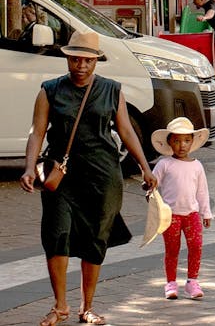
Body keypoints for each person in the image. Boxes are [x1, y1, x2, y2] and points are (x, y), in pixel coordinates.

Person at [20, 31, 158, 326]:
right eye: (75, 59)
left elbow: (126, 131)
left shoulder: (111, 90)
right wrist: (29, 167)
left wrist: (145, 168)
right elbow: (37, 132)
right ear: (67, 58)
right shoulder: (50, 91)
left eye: (87, 60)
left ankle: (87, 308)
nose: (80, 65)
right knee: (57, 235)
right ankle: (60, 306)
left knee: (96, 240)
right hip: (61, 176)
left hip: (102, 176)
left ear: (96, 61)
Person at [150, 117, 213, 301]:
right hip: (170, 216)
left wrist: (206, 212)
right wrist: (149, 189)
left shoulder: (197, 166)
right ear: (170, 142)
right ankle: (171, 283)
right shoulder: (164, 164)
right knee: (172, 249)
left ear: (192, 142)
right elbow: (153, 183)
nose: (182, 145)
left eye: (186, 140)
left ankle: (192, 281)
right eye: (177, 141)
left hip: (192, 214)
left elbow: (202, 191)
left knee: (196, 246)